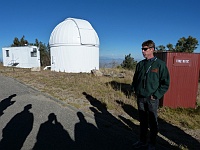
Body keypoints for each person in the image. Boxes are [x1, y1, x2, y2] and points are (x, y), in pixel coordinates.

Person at [131, 40, 170, 150]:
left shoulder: (160, 64)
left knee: (153, 122)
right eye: (142, 49)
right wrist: (134, 89)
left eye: (145, 49)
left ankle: (152, 143)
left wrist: (156, 95)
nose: (143, 51)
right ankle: (142, 141)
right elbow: (135, 79)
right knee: (142, 121)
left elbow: (165, 83)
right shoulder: (140, 64)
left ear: (152, 49)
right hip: (141, 97)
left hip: (152, 99)